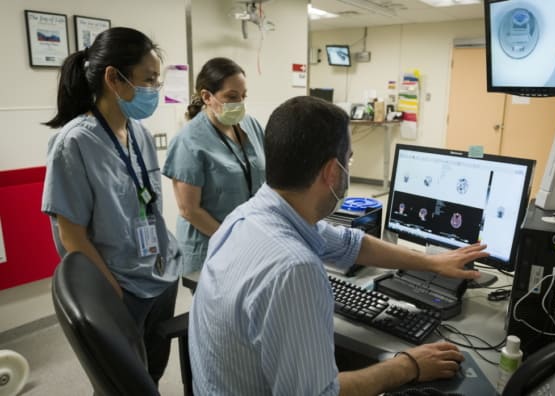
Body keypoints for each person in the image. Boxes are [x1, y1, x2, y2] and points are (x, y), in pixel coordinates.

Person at [189, 96, 489, 395]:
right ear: (332, 172)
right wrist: (408, 365)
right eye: (349, 158)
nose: (349, 166)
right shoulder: (295, 269)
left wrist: (431, 262)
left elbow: (349, 243)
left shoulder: (247, 216)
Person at [41, 27, 181, 385]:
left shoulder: (140, 134)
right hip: (121, 287)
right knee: (122, 382)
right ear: (113, 78)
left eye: (156, 80)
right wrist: (112, 293)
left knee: (152, 371)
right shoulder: (73, 144)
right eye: (148, 80)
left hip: (159, 276)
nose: (154, 90)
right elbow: (71, 235)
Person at [162, 57, 266, 275]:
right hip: (210, 246)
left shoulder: (250, 125)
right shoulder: (189, 141)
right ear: (207, 96)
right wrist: (231, 239)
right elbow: (189, 210)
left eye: (243, 96)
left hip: (250, 239)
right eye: (231, 96)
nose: (239, 103)